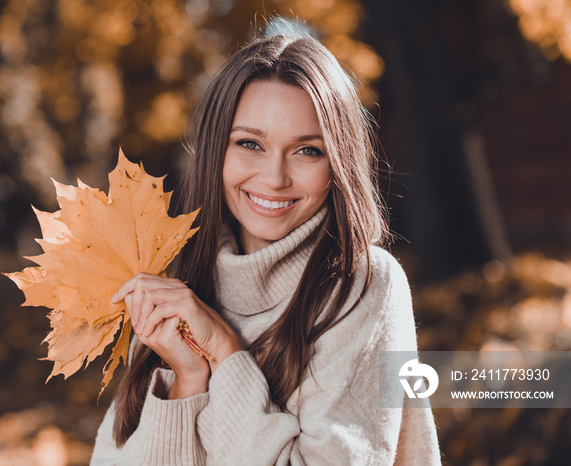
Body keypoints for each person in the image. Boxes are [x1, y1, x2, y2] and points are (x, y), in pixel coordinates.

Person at [91, 29, 442, 466]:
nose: (274, 177)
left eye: (307, 151)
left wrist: (224, 349)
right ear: (216, 149)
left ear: (338, 163)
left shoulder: (363, 285)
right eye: (250, 144)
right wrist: (188, 379)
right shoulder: (172, 287)